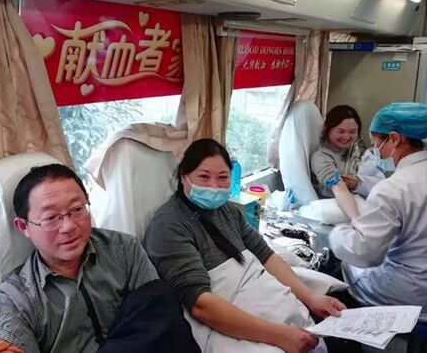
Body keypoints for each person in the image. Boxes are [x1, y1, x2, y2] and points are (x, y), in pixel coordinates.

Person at [144, 139, 345, 353]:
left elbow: (267, 256)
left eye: (223, 177)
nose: (214, 186)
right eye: (203, 176)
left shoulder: (229, 211)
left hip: (272, 310)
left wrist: (312, 299)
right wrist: (280, 336)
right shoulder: (169, 225)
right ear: (184, 176)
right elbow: (201, 304)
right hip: (224, 325)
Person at [0, 163, 200, 353]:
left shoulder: (124, 250)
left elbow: (163, 323)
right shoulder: (17, 297)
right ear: (24, 226)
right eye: (51, 218)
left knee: (160, 294)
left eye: (77, 209)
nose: (69, 226)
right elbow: (6, 345)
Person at [329, 102, 427, 318]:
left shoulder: (393, 188)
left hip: (408, 293)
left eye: (376, 142)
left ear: (394, 139)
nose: (375, 150)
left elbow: (365, 253)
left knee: (346, 265)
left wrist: (337, 234)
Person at [311, 105, 385, 198]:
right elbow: (337, 187)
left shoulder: (359, 150)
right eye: (341, 131)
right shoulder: (321, 157)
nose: (346, 137)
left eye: (352, 132)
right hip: (335, 203)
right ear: (327, 129)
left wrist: (358, 184)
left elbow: (382, 186)